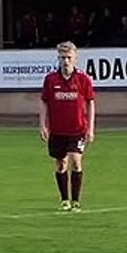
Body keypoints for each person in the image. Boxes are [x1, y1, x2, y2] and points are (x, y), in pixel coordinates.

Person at [39, 41, 96, 211]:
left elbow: (90, 102)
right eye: (63, 58)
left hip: (77, 129)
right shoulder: (50, 80)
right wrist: (42, 125)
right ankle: (65, 200)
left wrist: (91, 128)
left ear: (75, 58)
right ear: (58, 58)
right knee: (61, 164)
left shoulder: (82, 79)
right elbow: (44, 103)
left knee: (76, 161)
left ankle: (76, 201)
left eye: (69, 57)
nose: (66, 61)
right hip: (57, 130)